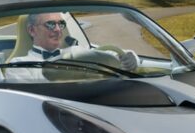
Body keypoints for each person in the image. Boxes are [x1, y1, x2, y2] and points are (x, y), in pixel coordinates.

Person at [7, 12, 138, 82]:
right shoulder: (18, 65)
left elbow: (113, 56)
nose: (58, 30)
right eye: (51, 24)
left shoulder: (75, 50)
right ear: (32, 31)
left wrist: (131, 58)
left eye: (61, 24)